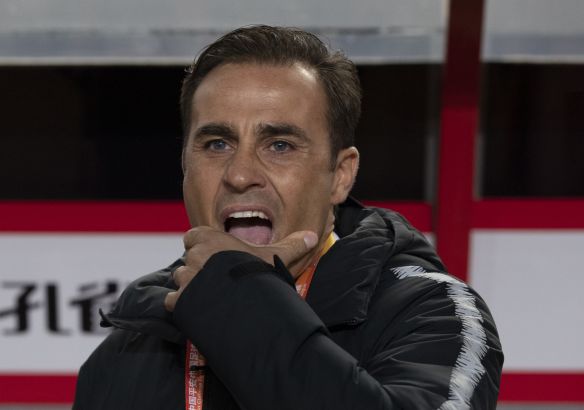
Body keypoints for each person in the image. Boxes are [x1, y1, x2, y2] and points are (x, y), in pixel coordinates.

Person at [73, 25, 503, 409]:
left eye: (280, 145)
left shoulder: (433, 313)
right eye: (217, 144)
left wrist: (243, 299)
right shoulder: (126, 350)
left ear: (340, 175)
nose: (240, 174)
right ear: (185, 166)